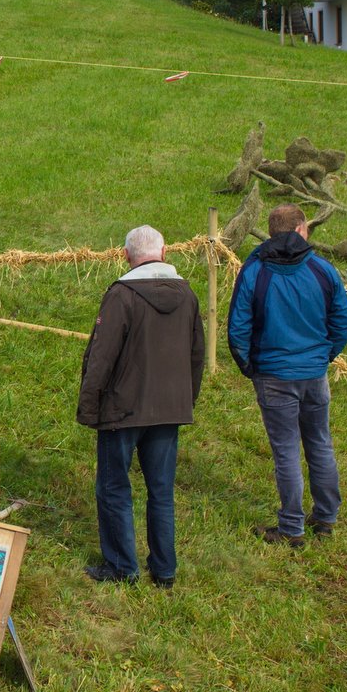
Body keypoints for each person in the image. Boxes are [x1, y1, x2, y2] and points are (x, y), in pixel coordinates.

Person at [76, 225, 204, 588]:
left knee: (114, 487)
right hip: (169, 409)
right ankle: (164, 570)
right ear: (164, 254)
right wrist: (186, 400)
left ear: (126, 255)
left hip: (122, 410)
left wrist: (89, 406)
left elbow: (101, 356)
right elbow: (196, 356)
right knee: (161, 491)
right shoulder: (188, 295)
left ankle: (121, 568)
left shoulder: (121, 295)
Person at [228, 204, 347, 548]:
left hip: (273, 375)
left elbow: (237, 326)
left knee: (286, 452)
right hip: (313, 374)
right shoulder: (322, 269)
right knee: (320, 443)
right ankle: (325, 518)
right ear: (302, 229)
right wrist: (325, 355)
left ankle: (292, 528)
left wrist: (249, 367)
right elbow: (344, 321)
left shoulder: (254, 270)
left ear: (272, 232)